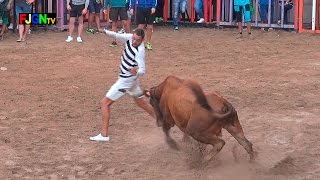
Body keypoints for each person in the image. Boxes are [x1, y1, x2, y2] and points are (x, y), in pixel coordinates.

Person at [89, 28, 155, 142]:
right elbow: (117, 35)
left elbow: (143, 70)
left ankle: (104, 135)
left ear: (142, 40)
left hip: (126, 81)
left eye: (137, 40)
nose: (134, 41)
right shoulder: (129, 38)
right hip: (132, 81)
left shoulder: (140, 51)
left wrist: (137, 71)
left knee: (104, 103)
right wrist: (105, 31)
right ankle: (161, 120)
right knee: (141, 103)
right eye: (134, 38)